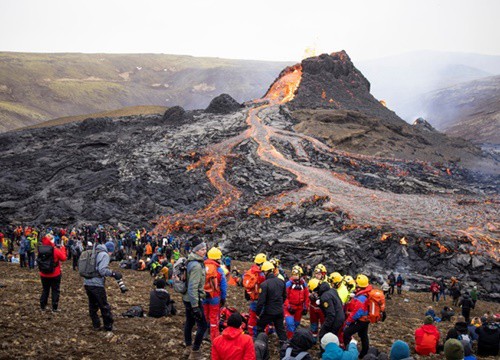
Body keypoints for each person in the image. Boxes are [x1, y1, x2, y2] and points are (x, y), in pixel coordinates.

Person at [83, 241, 122, 332]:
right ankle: (108, 326)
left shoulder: (94, 252)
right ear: (110, 250)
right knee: (103, 305)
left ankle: (96, 325)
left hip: (87, 282)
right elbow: (102, 270)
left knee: (92, 305)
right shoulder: (104, 254)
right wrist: (113, 273)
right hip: (97, 284)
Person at [182, 238, 208, 360]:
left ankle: (187, 348)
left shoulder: (190, 261)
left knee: (189, 322)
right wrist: (195, 306)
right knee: (203, 325)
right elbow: (193, 287)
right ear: (197, 251)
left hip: (187, 298)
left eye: (205, 249)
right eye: (202, 249)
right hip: (194, 300)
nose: (205, 251)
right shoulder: (197, 266)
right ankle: (195, 352)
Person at [255, 261, 287, 344]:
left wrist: (257, 313)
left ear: (266, 272)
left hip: (268, 312)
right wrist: (279, 305)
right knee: (281, 330)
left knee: (259, 327)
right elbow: (284, 296)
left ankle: (259, 344)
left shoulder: (264, 284)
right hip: (279, 311)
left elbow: (261, 302)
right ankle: (284, 347)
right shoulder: (281, 282)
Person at [343, 274, 372, 359]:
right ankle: (364, 353)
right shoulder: (365, 293)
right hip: (365, 319)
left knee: (347, 333)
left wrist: (348, 322)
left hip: (361, 320)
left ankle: (350, 352)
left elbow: (356, 313)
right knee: (363, 335)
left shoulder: (361, 298)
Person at [203, 247, 227, 340]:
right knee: (214, 317)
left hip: (203, 294)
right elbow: (223, 286)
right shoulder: (219, 270)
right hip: (215, 296)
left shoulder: (202, 266)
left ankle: (204, 332)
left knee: (205, 314)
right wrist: (223, 298)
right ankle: (214, 337)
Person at [39, 235, 67, 312]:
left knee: (45, 290)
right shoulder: (55, 250)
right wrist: (63, 249)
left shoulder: (41, 249)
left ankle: (42, 306)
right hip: (55, 273)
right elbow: (63, 258)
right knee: (55, 290)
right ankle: (54, 307)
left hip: (43, 273)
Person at [244, 253, 267, 336]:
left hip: (252, 297)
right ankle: (260, 334)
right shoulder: (261, 274)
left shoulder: (250, 271)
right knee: (262, 317)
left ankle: (251, 334)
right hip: (260, 298)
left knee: (252, 317)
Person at [284, 266, 309, 338]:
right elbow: (285, 297)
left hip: (299, 308)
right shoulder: (288, 284)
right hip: (290, 307)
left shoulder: (304, 285)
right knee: (290, 323)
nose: (294, 276)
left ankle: (293, 336)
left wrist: (305, 307)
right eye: (293, 275)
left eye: (296, 275)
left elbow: (306, 297)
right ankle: (290, 339)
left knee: (296, 324)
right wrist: (288, 306)